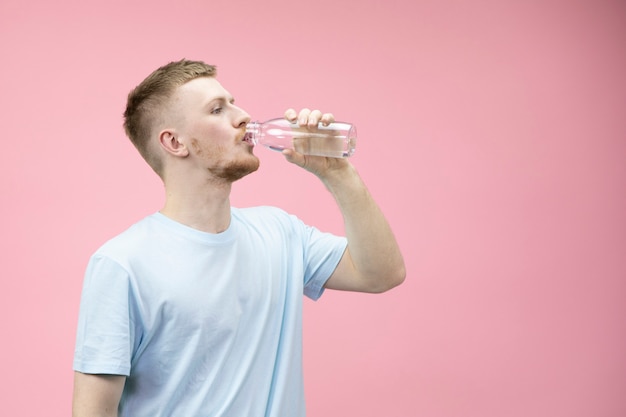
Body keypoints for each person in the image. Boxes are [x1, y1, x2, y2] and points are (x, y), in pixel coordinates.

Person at [72, 59, 405, 417]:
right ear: (174, 141)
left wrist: (338, 173)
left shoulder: (281, 233)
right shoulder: (122, 264)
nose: (243, 116)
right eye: (217, 109)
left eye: (234, 102)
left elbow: (381, 274)